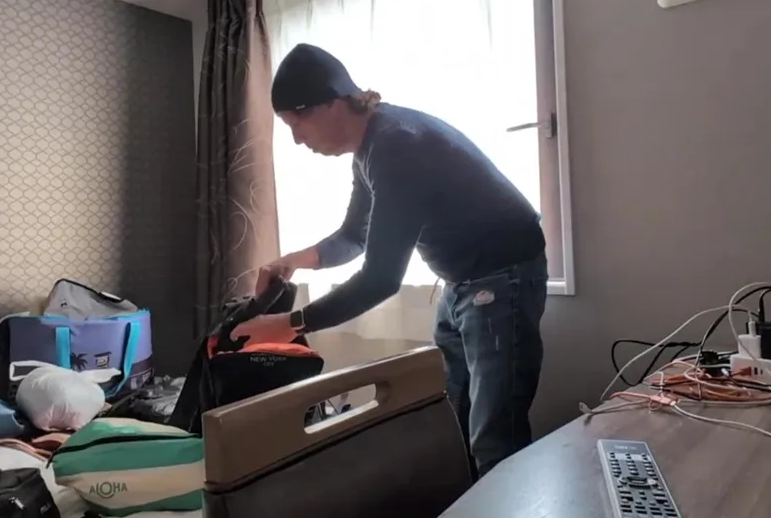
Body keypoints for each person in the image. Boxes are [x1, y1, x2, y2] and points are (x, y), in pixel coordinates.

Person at [232, 44, 548, 477]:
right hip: (463, 282)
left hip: (500, 276)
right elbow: (354, 236)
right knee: (454, 415)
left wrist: (291, 323)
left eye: (296, 123)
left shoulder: (397, 145)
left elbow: (381, 278)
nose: (297, 139)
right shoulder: (372, 148)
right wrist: (293, 261)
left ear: (331, 103)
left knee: (495, 437)